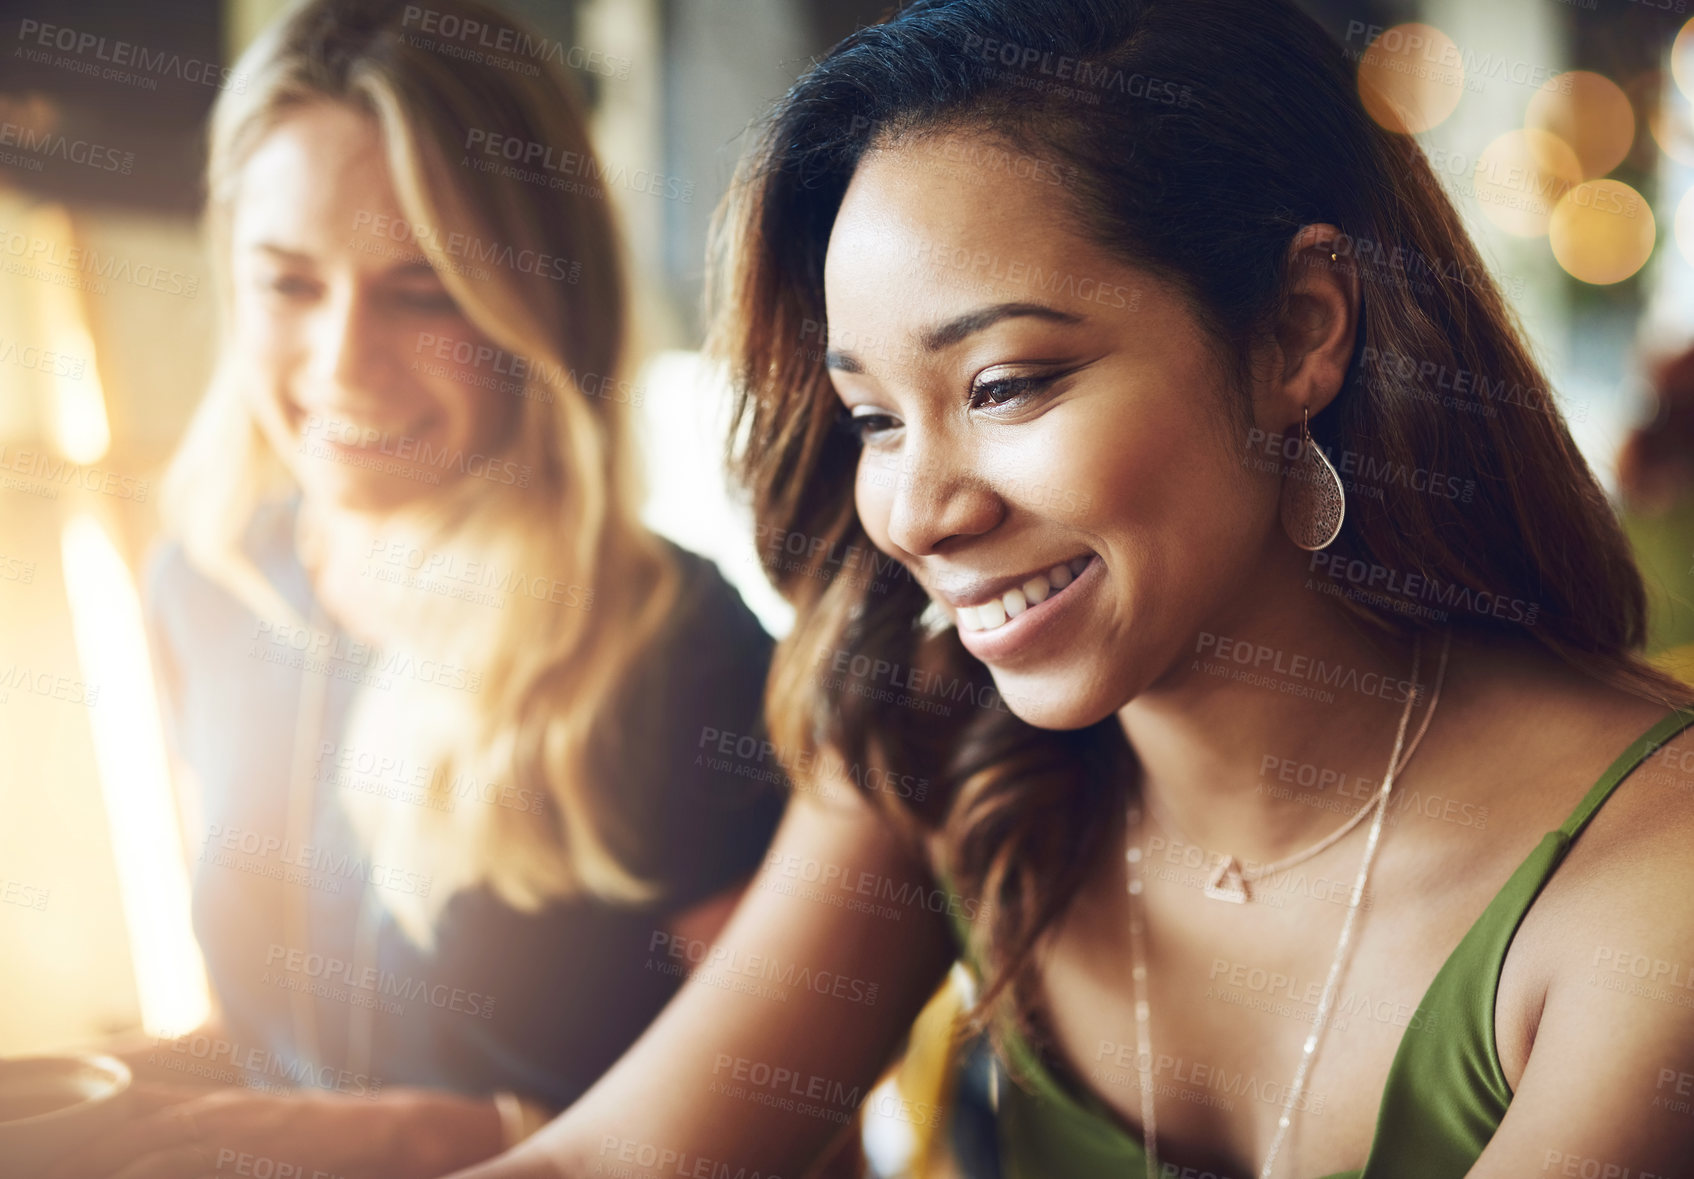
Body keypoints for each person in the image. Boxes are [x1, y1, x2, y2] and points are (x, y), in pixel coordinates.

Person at [446, 1, 1694, 1177]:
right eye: (872, 419)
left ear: (1298, 331)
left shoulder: (1653, 885)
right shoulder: (938, 746)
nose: (920, 512)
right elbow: (612, 1161)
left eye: (1003, 386)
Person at [47, 2, 787, 1177]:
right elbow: (289, 1049)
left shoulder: (676, 649)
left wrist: (457, 1137)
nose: (341, 362)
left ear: (543, 302)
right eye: (289, 284)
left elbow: (801, 1134)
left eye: (423, 290)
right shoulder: (211, 584)